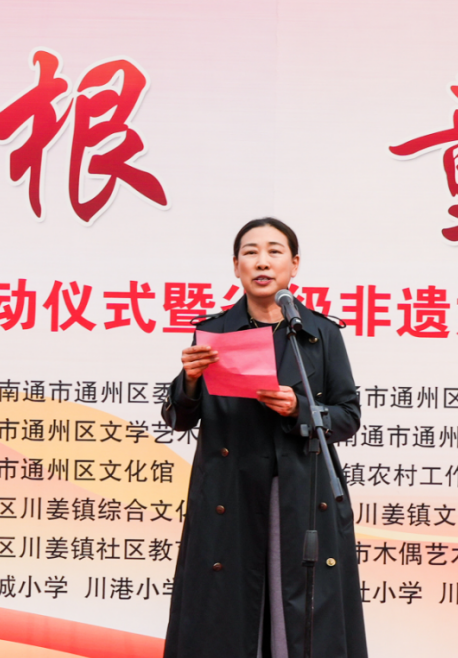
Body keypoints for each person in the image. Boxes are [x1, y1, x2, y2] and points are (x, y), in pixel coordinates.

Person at [161, 218, 368, 658]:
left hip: (299, 489)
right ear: (236, 266)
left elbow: (348, 417)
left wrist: (299, 409)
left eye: (275, 251)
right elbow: (179, 418)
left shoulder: (319, 333)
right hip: (230, 489)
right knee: (227, 611)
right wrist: (190, 380)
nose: (262, 262)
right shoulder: (215, 331)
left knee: (299, 608)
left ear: (294, 265)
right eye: (250, 252)